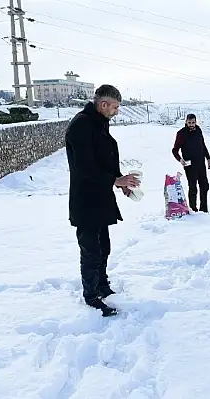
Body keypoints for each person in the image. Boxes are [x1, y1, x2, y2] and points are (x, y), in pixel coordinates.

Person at [65, 84, 140, 317]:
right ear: (103, 104)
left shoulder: (99, 123)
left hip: (100, 197)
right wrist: (115, 181)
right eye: (115, 107)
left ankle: (102, 285)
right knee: (90, 250)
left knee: (103, 247)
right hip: (85, 199)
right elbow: (84, 167)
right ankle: (92, 295)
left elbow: (104, 158)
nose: (116, 111)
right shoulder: (81, 125)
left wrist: (120, 182)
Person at [171, 113, 210, 212]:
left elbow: (203, 145)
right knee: (193, 188)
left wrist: (208, 158)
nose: (191, 124)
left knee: (204, 186)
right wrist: (180, 159)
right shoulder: (181, 133)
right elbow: (175, 150)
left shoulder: (198, 130)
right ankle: (193, 209)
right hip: (190, 165)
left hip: (201, 163)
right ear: (186, 122)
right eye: (189, 123)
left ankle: (204, 209)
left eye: (193, 122)